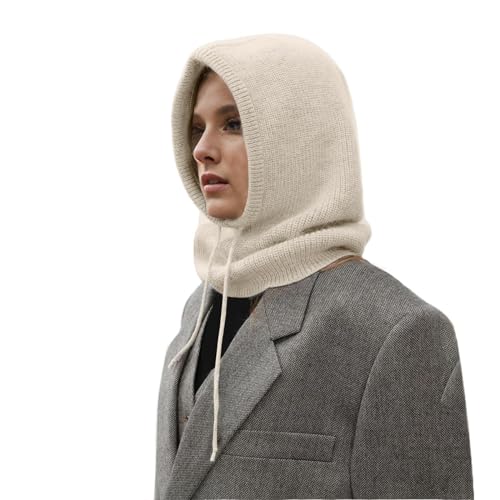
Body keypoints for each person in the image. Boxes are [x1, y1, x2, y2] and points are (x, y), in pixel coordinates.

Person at [155, 33, 474, 499]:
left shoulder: (395, 332)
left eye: (234, 123)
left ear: (298, 136)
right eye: (196, 128)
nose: (202, 148)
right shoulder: (201, 307)